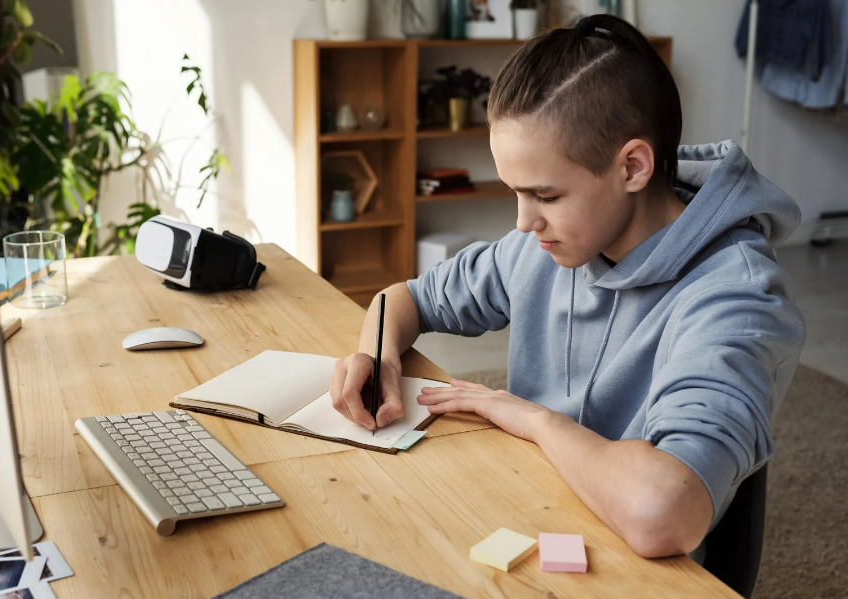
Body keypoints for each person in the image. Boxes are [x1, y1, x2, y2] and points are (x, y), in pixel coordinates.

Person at [329, 14, 806, 560]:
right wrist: (377, 355)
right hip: (527, 514)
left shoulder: (736, 300)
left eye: (546, 196)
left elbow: (664, 513)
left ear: (632, 166)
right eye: (515, 192)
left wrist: (531, 418)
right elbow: (402, 300)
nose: (522, 222)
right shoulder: (548, 244)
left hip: (631, 569)